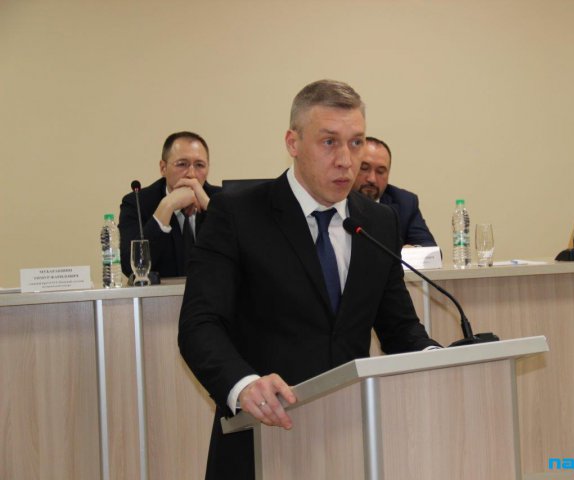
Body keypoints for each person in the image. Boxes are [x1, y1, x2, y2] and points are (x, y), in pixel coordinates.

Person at [178, 80, 441, 480]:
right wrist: (244, 385)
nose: (346, 161)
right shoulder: (237, 213)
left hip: (350, 440)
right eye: (329, 142)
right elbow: (200, 324)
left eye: (356, 143)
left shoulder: (377, 222)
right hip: (262, 438)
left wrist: (435, 359)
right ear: (293, 142)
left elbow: (399, 328)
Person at [118, 131, 221, 278]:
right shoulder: (138, 203)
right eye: (182, 164)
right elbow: (130, 267)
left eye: (199, 165)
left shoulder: (221, 199)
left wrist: (213, 209)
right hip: (162, 293)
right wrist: (167, 206)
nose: (191, 174)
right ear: (163, 168)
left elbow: (248, 258)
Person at [353, 137, 437, 247]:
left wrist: (412, 251)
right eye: (364, 168)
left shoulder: (405, 203)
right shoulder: (337, 200)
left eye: (380, 171)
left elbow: (430, 249)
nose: (372, 179)